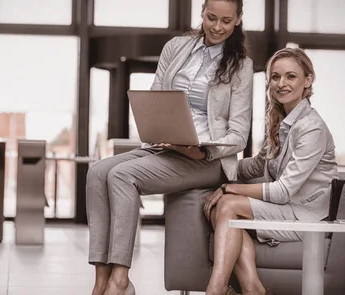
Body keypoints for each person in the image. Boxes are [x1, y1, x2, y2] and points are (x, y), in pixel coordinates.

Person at [86, 1, 253, 294]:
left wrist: (202, 150)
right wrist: (159, 130)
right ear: (201, 11)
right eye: (211, 17)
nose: (217, 27)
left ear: (238, 19)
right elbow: (155, 98)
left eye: (226, 21)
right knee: (98, 172)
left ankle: (121, 280)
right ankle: (101, 280)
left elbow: (239, 135)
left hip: (207, 159)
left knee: (122, 176)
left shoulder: (241, 65)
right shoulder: (177, 47)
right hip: (167, 146)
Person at [202, 47, 339, 295]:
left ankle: (216, 289)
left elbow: (283, 191)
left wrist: (228, 187)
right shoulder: (281, 122)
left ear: (308, 80)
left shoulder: (312, 128)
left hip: (306, 216)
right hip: (287, 209)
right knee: (220, 207)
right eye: (275, 77)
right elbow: (256, 165)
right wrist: (210, 161)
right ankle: (253, 288)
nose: (281, 83)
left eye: (290, 76)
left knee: (228, 204)